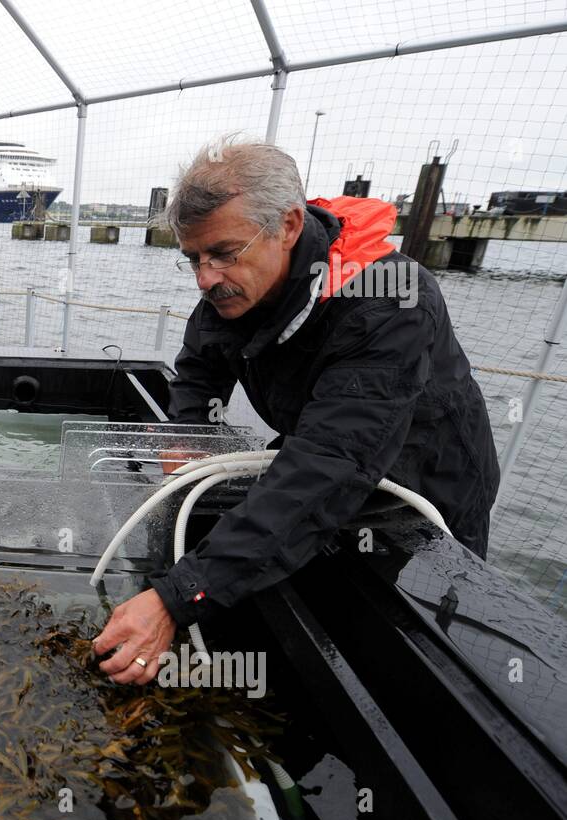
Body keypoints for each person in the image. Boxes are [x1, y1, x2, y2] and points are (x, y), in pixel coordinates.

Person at [94, 138, 500, 686]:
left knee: (416, 647)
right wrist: (187, 435)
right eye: (193, 258)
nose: (205, 278)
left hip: (426, 488)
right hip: (322, 448)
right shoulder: (238, 282)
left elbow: (328, 465)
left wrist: (176, 599)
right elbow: (201, 364)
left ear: (287, 226)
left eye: (223, 253)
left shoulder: (391, 302)